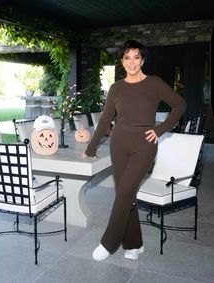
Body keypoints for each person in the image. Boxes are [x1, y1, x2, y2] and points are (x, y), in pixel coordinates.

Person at [82, 39, 186, 261]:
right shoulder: (116, 88)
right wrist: (91, 149)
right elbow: (105, 121)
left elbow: (180, 105)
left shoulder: (155, 83)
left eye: (136, 57)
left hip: (144, 144)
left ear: (142, 60)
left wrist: (160, 130)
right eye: (127, 57)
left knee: (124, 193)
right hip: (118, 144)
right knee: (126, 195)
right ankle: (134, 244)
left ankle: (109, 242)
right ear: (122, 61)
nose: (131, 62)